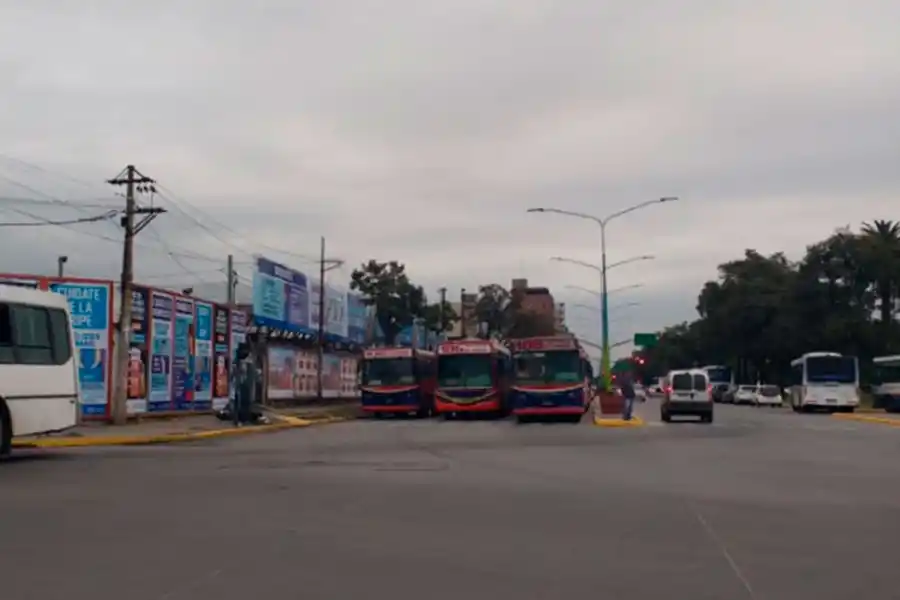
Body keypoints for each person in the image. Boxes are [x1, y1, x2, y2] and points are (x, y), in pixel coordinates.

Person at [231, 342, 259, 426]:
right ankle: (239, 420)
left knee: (244, 403)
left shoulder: (242, 361)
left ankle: (242, 419)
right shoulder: (240, 362)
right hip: (241, 385)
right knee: (241, 403)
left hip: (243, 385)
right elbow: (236, 373)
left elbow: (235, 373)